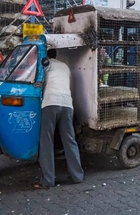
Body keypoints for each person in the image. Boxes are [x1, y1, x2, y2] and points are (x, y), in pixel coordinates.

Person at [34, 49, 84, 189]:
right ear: (56, 55)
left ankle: (48, 180)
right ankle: (77, 176)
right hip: (67, 104)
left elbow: (40, 84)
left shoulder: (45, 64)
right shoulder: (64, 66)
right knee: (69, 140)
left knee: (46, 141)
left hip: (51, 103)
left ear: (46, 55)